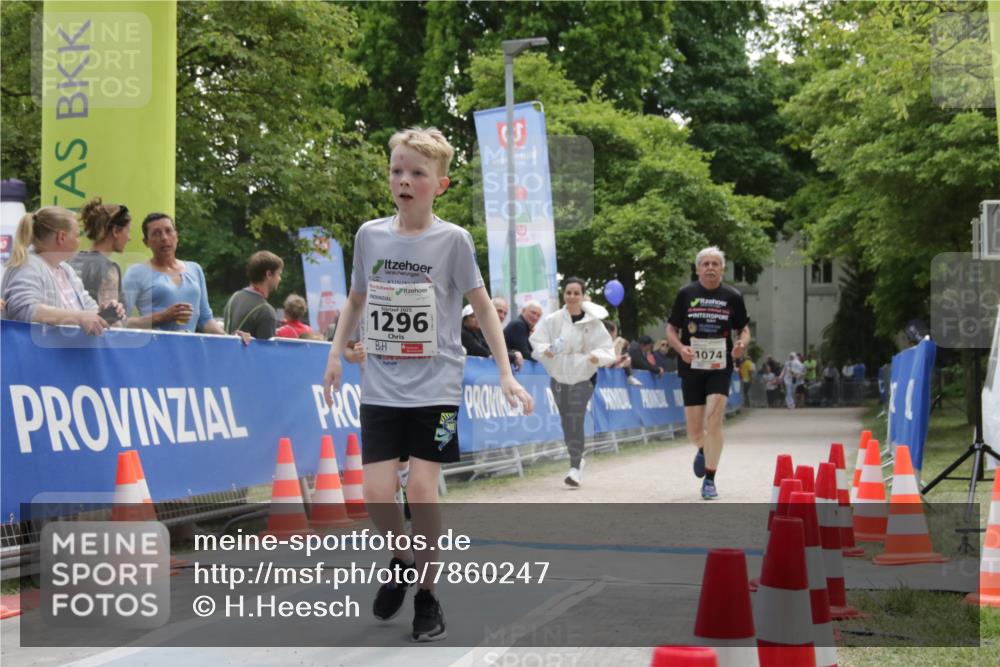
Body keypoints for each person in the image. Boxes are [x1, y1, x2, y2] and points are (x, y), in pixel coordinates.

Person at [322, 127, 533, 643]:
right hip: (381, 388)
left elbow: (482, 307)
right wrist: (334, 353)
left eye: (418, 172)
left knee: (421, 490)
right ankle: (404, 557)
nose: (405, 180)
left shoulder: (453, 240)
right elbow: (356, 299)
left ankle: (427, 594)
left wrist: (505, 371)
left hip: (436, 388)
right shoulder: (370, 235)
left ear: (441, 183)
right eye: (397, 170)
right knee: (376, 494)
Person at [666, 246, 750, 500]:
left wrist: (741, 345)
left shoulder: (732, 296)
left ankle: (710, 480)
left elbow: (743, 330)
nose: (711, 268)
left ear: (722, 269)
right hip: (691, 366)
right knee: (694, 432)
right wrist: (681, 348)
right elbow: (671, 329)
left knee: (713, 419)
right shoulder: (686, 294)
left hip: (719, 366)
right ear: (697, 268)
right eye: (706, 264)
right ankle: (704, 449)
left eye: (716, 264)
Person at [530, 276, 615, 488]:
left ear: (583, 296)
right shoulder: (552, 320)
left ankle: (574, 467)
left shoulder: (593, 322)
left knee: (575, 416)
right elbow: (537, 342)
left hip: (584, 375)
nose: (572, 296)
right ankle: (578, 459)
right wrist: (546, 350)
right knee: (567, 421)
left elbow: (606, 347)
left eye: (576, 293)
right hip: (559, 375)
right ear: (563, 294)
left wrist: (597, 356)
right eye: (568, 292)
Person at [123, 213, 248, 342]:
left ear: (177, 236)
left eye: (168, 231)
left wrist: (232, 339)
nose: (164, 238)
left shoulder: (195, 269)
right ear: (146, 242)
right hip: (155, 352)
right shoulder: (136, 273)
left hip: (188, 353)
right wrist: (162, 317)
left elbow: (205, 320)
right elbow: (120, 322)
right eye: (156, 233)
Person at [1, 206, 124, 334]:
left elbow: (87, 309)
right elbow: (25, 309)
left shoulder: (66, 269)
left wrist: (103, 314)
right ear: (61, 237)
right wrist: (79, 317)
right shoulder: (29, 265)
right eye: (76, 236)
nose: (79, 242)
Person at [69, 197, 131, 306]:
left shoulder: (70, 261)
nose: (129, 238)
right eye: (128, 231)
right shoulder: (109, 270)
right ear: (116, 231)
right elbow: (110, 318)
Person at [223, 250, 283, 339]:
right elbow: (266, 352)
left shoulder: (235, 297)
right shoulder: (266, 311)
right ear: (269, 274)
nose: (280, 279)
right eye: (279, 274)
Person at [491, 297, 523, 369]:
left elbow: (501, 350)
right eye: (499, 311)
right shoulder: (478, 326)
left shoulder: (499, 331)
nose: (502, 316)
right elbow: (491, 352)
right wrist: (514, 356)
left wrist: (515, 352)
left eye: (505, 314)